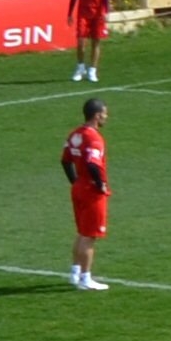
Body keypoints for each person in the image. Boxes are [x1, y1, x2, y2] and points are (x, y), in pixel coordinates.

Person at [62, 97, 111, 291]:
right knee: (89, 236)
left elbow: (65, 161)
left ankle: (75, 272)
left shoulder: (75, 134)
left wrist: (75, 182)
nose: (106, 117)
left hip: (79, 187)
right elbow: (92, 163)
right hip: (91, 190)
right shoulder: (94, 138)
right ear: (97, 115)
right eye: (105, 113)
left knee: (81, 233)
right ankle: (85, 278)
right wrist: (100, 185)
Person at [67, 0, 113, 82]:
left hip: (98, 14)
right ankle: (80, 67)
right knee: (81, 42)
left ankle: (92, 70)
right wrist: (70, 14)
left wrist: (106, 12)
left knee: (96, 41)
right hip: (83, 14)